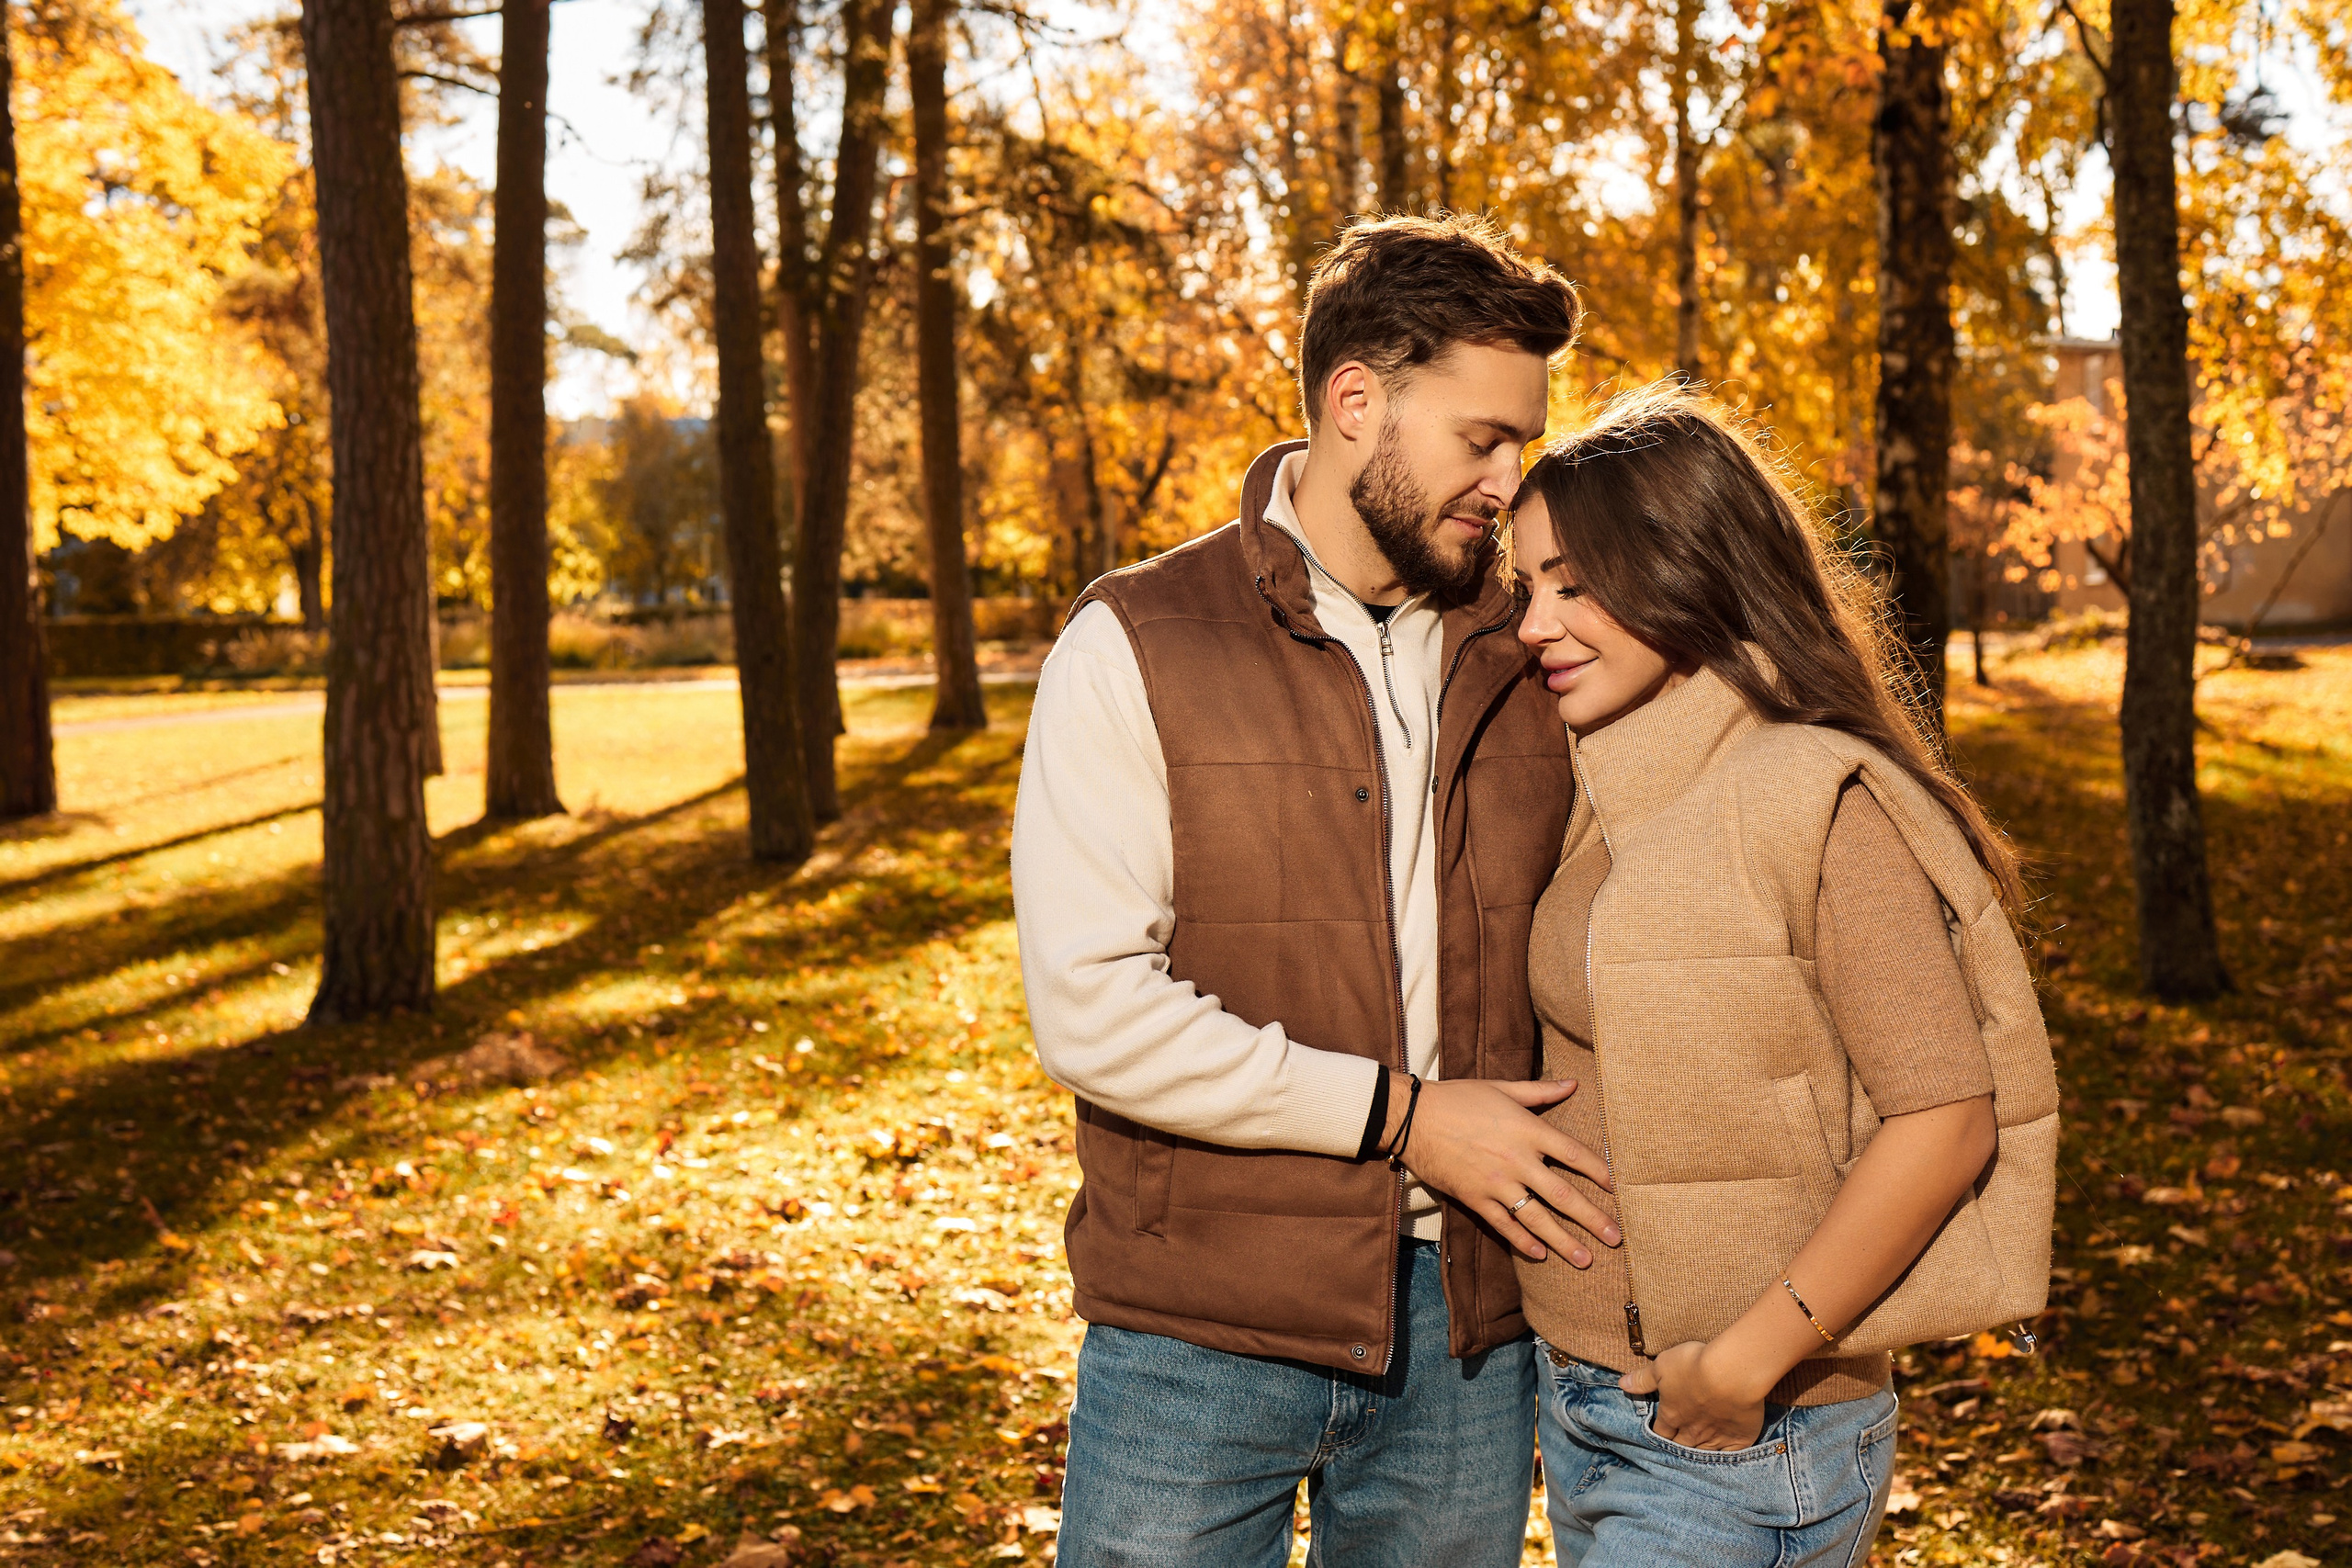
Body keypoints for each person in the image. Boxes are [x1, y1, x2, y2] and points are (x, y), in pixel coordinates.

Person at [1012, 213, 1613, 1567]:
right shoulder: (1136, 639)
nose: (1512, 481)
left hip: (1467, 1333)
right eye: (1483, 439)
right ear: (1358, 403)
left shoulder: (1543, 648)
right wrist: (1405, 1118)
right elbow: (1092, 1008)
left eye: (1524, 443)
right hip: (1196, 1329)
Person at [1502, 385, 2058, 1566]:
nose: (1533, 624)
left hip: (1741, 1438)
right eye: (1526, 586)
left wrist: (1746, 1362)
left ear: (1687, 569)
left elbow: (1946, 1120)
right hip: (1579, 1407)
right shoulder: (1610, 788)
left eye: (1572, 582)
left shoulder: (1817, 795)